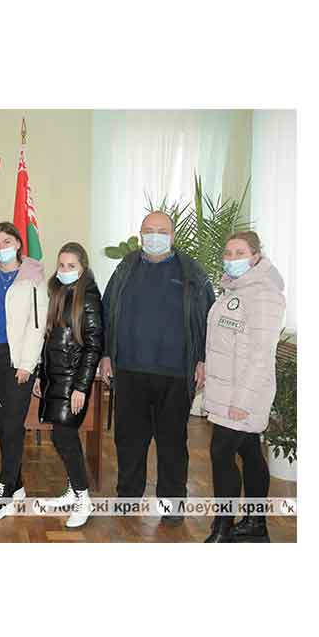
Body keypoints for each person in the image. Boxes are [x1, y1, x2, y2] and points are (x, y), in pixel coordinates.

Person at [100, 211, 215, 525]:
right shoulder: (125, 270)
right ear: (140, 235)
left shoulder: (192, 273)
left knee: (172, 443)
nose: (154, 236)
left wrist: (203, 359)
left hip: (176, 373)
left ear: (172, 236)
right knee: (129, 440)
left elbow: (208, 320)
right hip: (129, 369)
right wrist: (106, 355)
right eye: (148, 230)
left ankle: (172, 505)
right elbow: (108, 312)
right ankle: (128, 497)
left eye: (161, 231)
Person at [202, 231, 286, 543]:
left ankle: (223, 527)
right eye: (228, 253)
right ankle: (255, 523)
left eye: (239, 253)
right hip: (227, 389)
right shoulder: (234, 290)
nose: (232, 258)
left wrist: (242, 401)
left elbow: (262, 354)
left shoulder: (263, 294)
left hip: (244, 394)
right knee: (250, 452)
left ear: (255, 256)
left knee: (220, 454)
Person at [0, 222, 48, 521]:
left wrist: (28, 364)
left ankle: (3, 490)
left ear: (18, 244)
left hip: (19, 361)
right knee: (2, 425)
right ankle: (17, 487)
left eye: (6, 241)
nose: (1, 247)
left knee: (13, 425)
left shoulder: (33, 277)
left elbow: (37, 325)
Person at [33, 242, 104, 528]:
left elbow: (93, 346)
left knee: (65, 438)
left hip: (73, 380)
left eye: (71, 266)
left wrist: (81, 387)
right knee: (60, 436)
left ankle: (84, 499)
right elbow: (49, 338)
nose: (64, 270)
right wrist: (40, 374)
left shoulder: (88, 297)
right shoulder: (59, 292)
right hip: (55, 377)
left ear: (83, 268)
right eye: (61, 265)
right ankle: (73, 491)